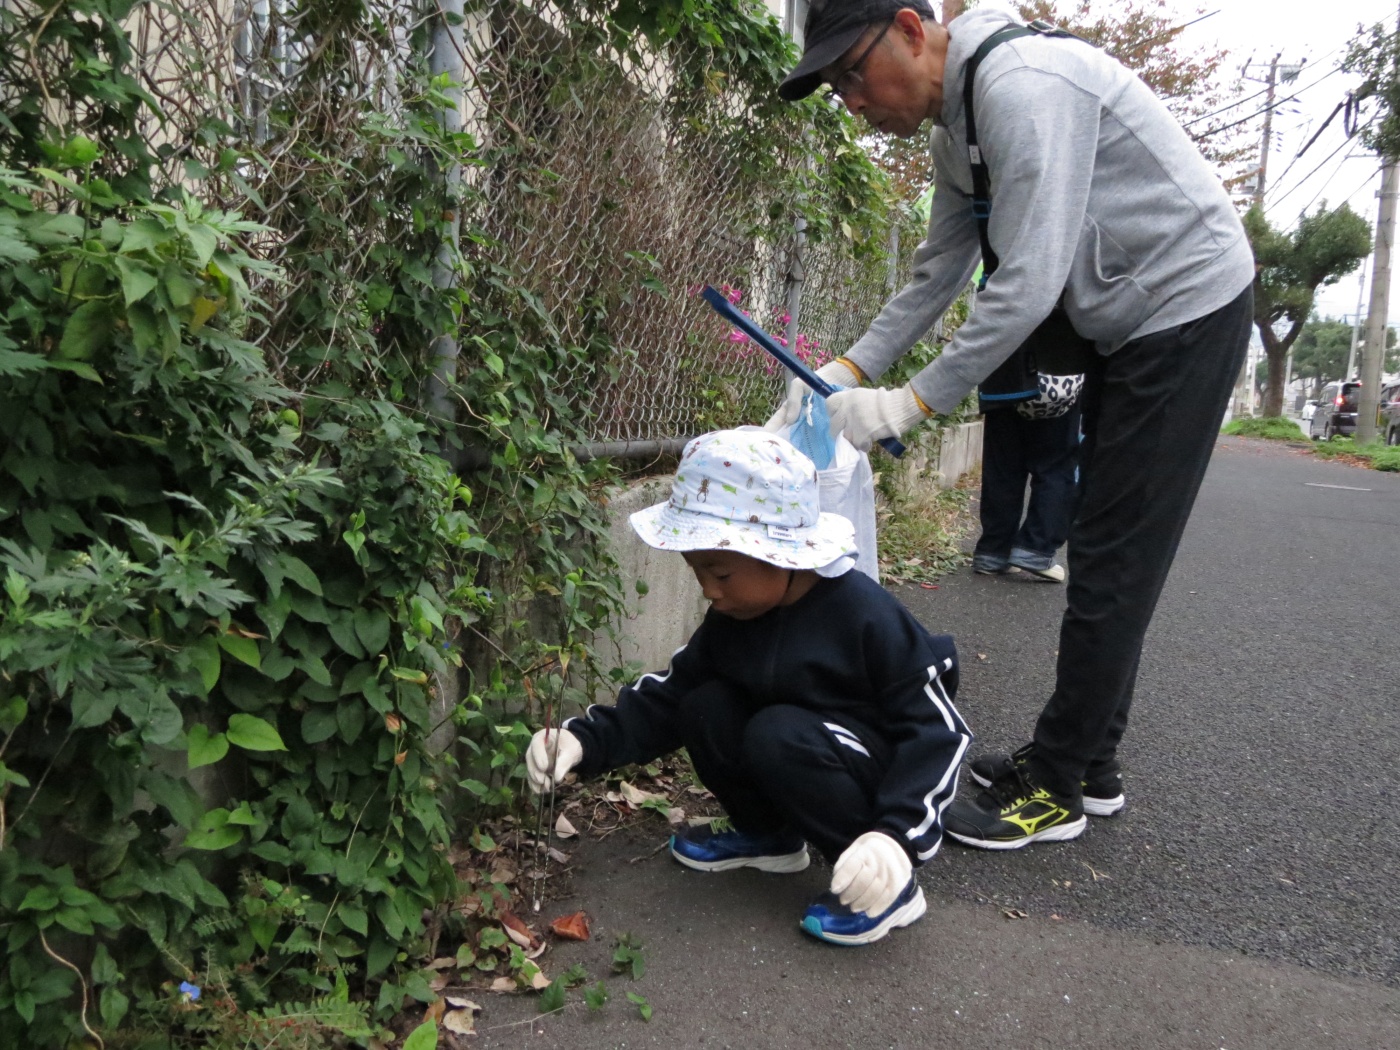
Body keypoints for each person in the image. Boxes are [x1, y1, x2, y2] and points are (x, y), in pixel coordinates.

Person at [769, 1, 1254, 848]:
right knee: (1106, 545)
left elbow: (1027, 284)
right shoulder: (955, 128)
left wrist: (911, 403)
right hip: (1123, 319)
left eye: (853, 71)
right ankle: (1091, 763)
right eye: (837, 85)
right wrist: (848, 370)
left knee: (1113, 554)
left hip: (1185, 308)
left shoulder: (1023, 89)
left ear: (911, 30)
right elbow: (937, 272)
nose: (852, 99)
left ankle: (1058, 785)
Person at [524, 428, 971, 945]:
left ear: (780, 554)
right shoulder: (733, 618)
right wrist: (581, 740)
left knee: (777, 732)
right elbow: (670, 693)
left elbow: (939, 733)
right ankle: (768, 834)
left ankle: (884, 887)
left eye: (720, 574)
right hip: (794, 748)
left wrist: (897, 835)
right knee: (705, 704)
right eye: (697, 573)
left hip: (872, 785)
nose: (708, 591)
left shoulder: (867, 618)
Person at [973, 372, 1084, 583]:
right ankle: (1036, 548)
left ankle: (993, 552)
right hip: (1058, 380)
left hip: (1003, 379)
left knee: (1002, 467)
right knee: (1055, 467)